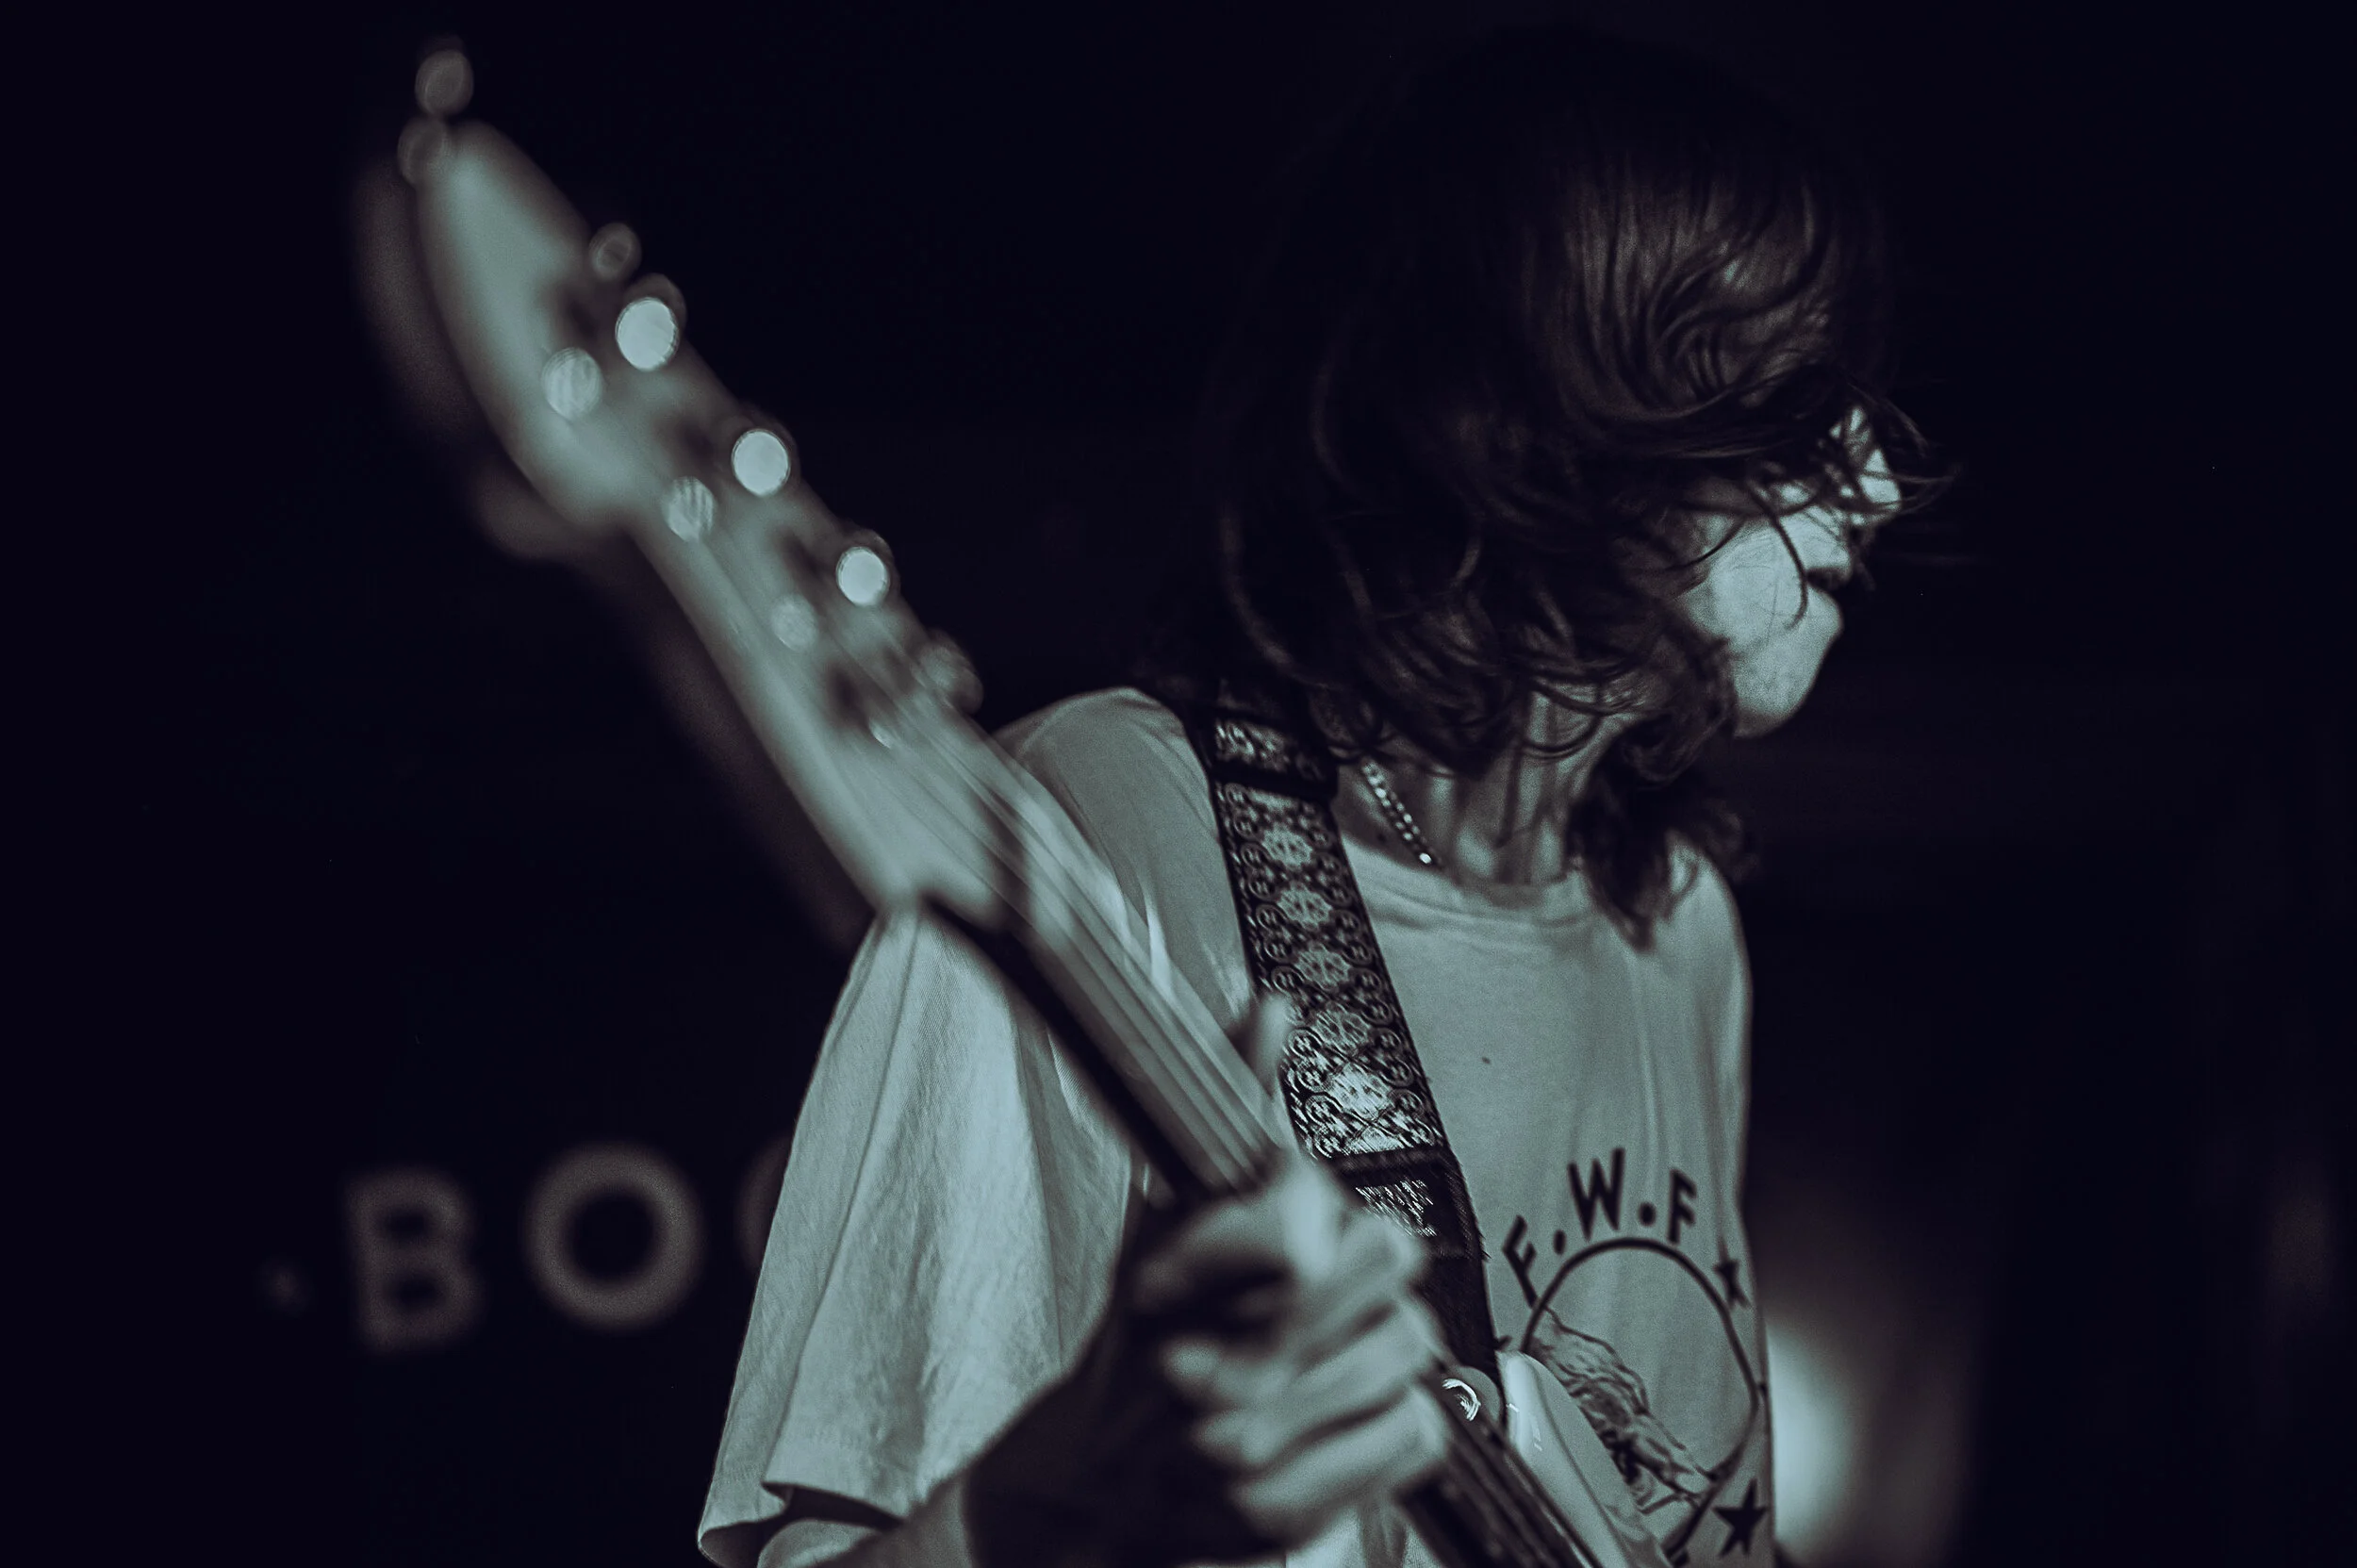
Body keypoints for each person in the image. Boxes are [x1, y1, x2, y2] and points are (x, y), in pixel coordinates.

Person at [698, 24, 1937, 1568]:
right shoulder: (1094, 838)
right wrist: (1057, 1508)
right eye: (1801, 410)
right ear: (1562, 422)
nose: (1873, 483)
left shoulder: (1675, 930)